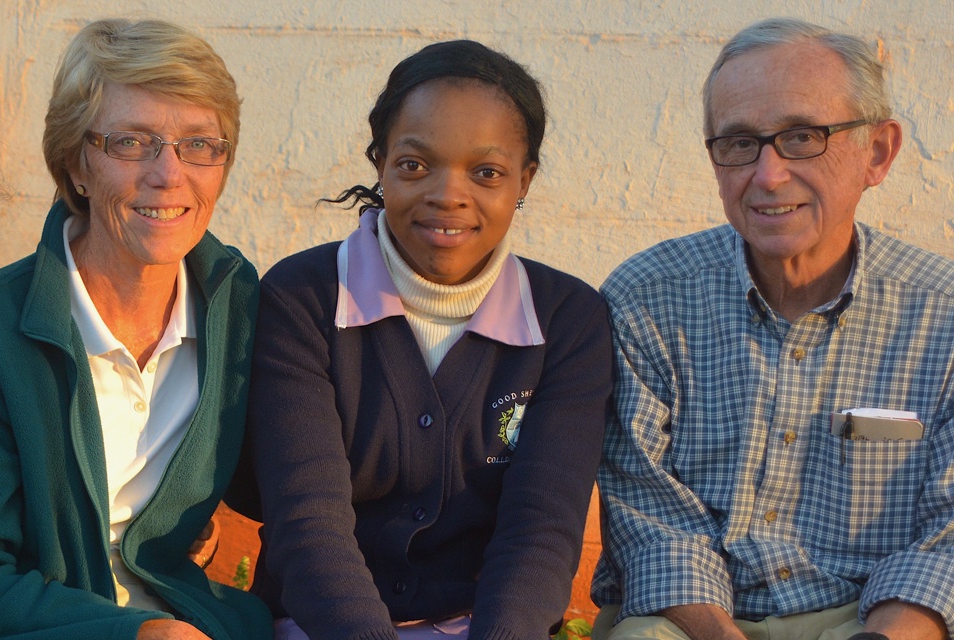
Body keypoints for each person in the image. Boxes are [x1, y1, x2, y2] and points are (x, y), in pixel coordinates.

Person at [228, 39, 613, 640]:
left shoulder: (567, 320)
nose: (448, 194)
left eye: (486, 172)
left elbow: (540, 531)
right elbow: (308, 525)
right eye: (414, 164)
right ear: (379, 162)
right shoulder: (301, 299)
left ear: (525, 179)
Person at [592, 17, 954, 640]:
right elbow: (647, 516)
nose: (768, 175)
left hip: (876, 617)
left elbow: (948, 535)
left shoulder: (942, 315)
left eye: (802, 137)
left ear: (878, 152)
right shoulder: (645, 300)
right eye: (738, 143)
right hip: (692, 617)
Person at [0, 18, 272, 640]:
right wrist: (140, 635)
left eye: (199, 144)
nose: (168, 174)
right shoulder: (0, 332)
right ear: (77, 165)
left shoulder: (240, 309)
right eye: (130, 142)